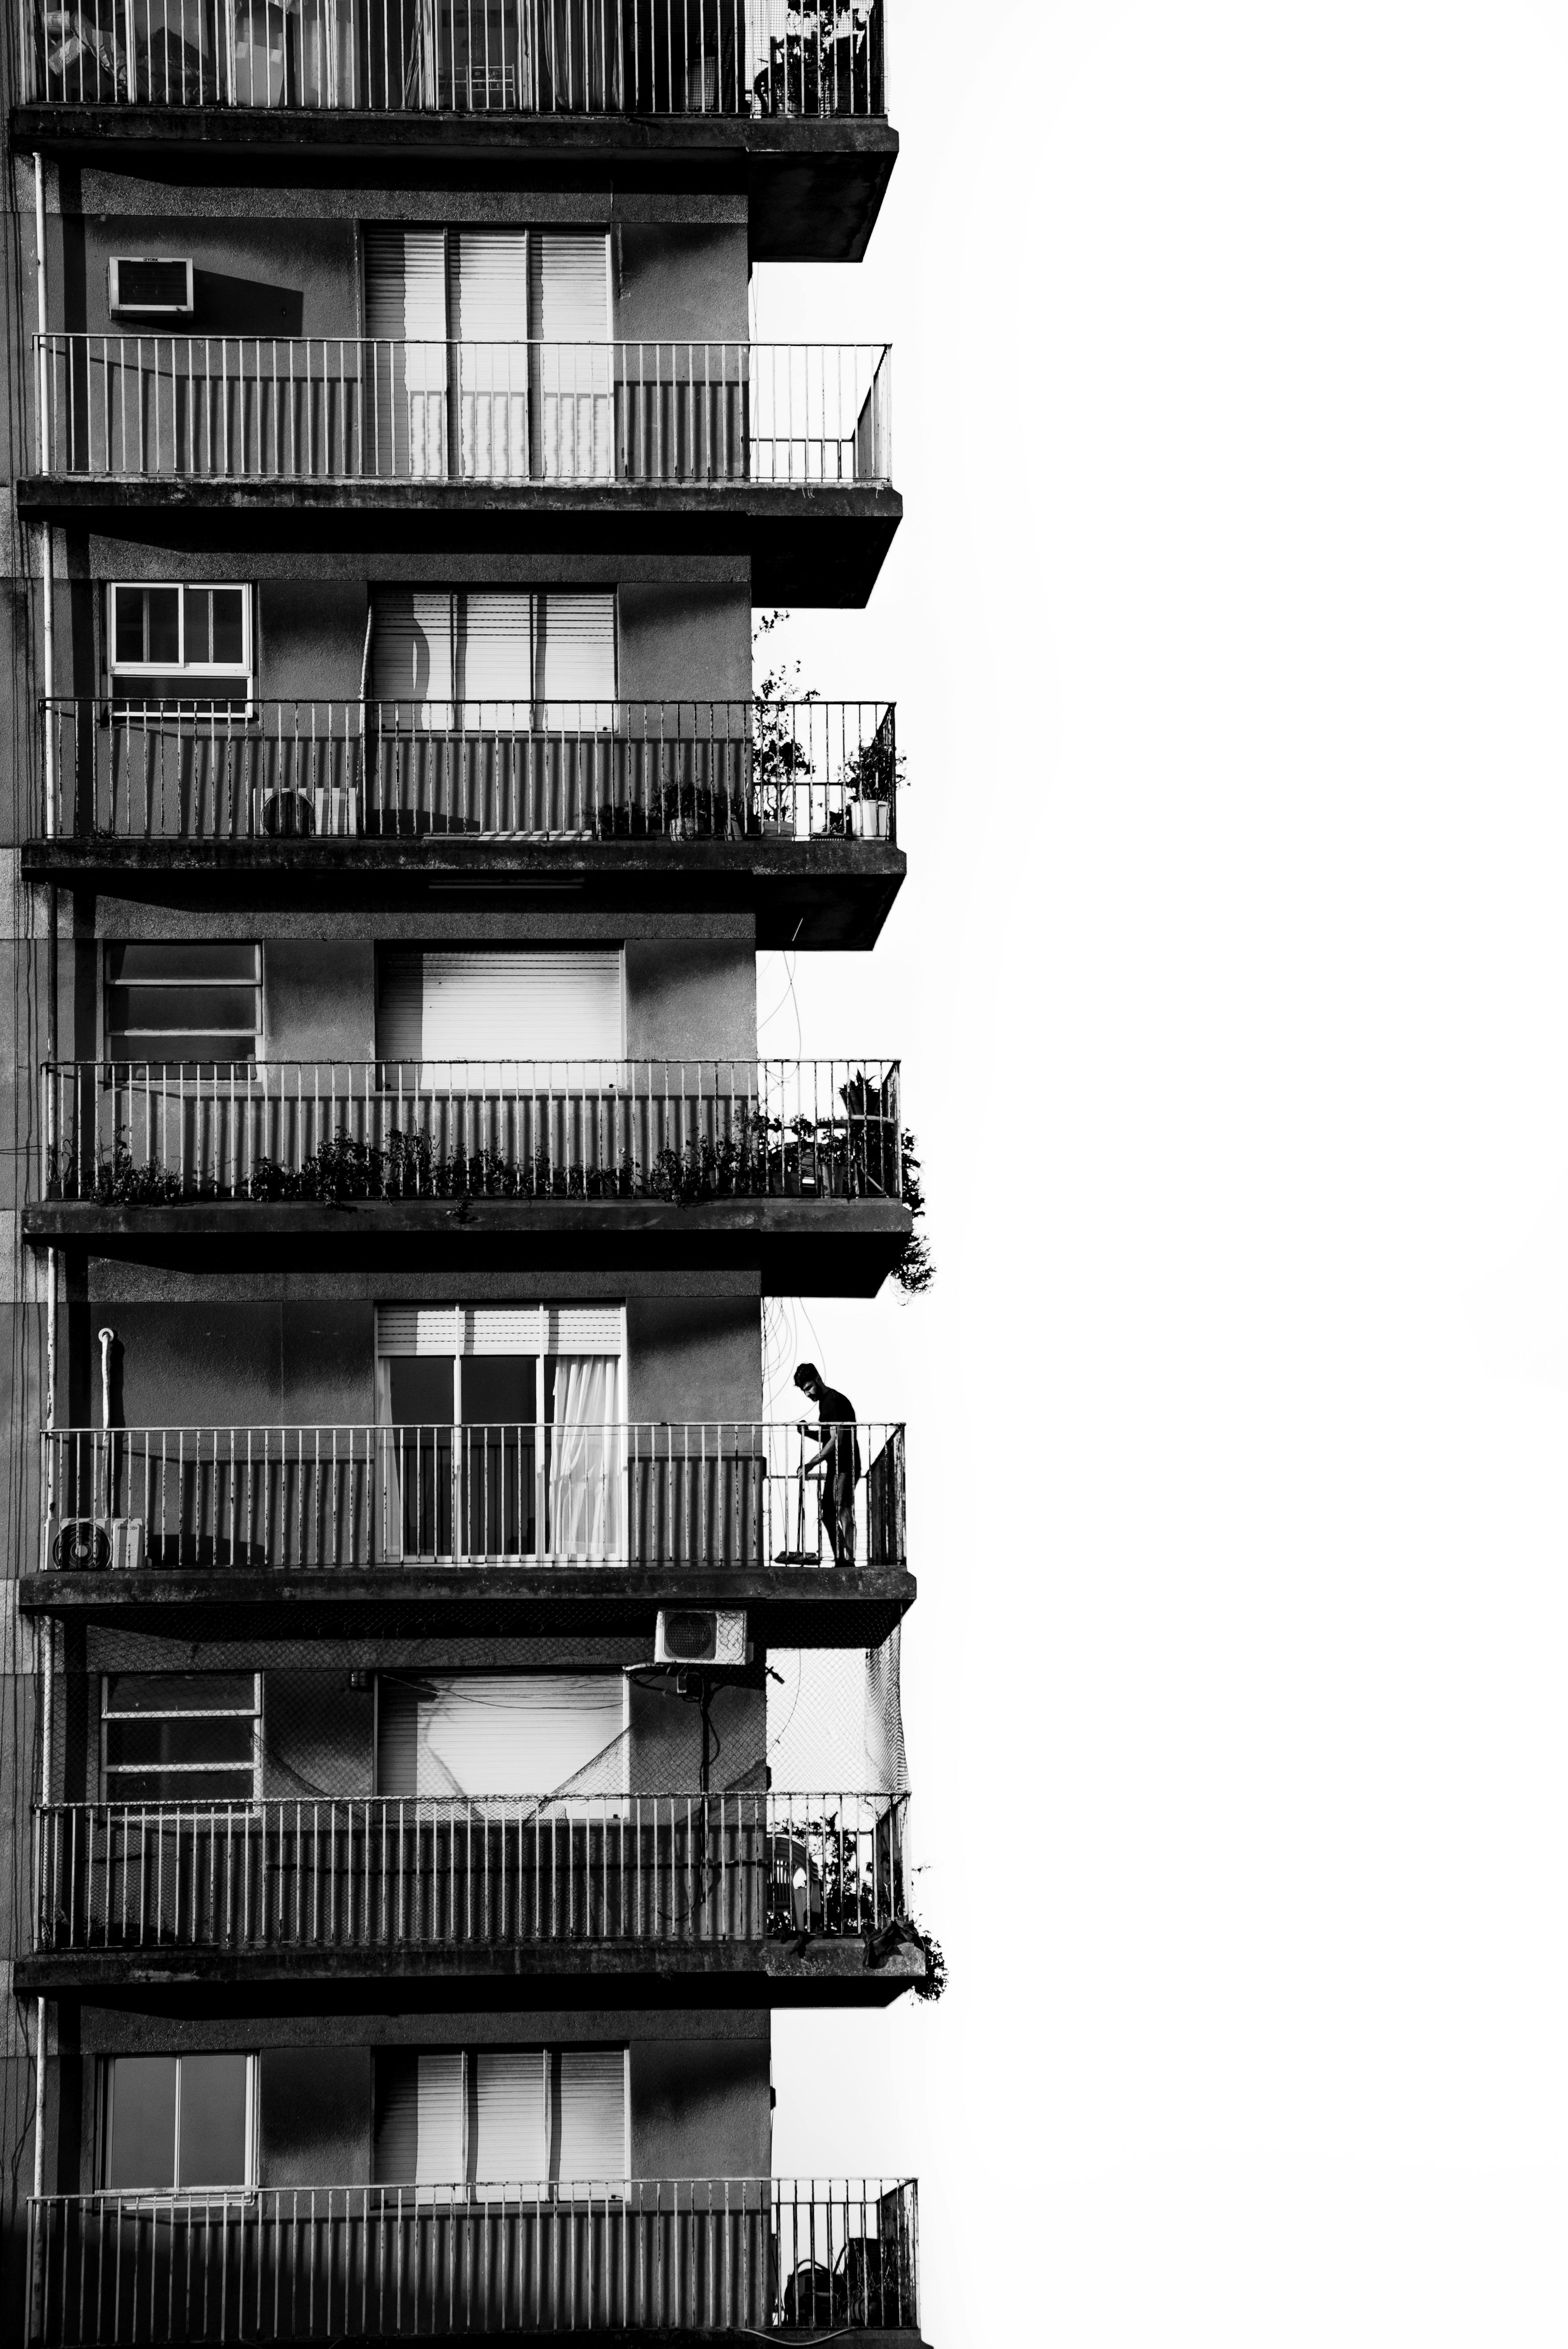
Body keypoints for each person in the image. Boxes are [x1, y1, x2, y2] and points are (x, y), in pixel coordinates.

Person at [793, 1362, 861, 1567]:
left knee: (842, 1510)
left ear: (818, 1379)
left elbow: (837, 1440)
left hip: (846, 1466)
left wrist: (810, 1465)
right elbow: (828, 1437)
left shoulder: (833, 1401)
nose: (808, 1394)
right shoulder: (825, 1403)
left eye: (809, 1388)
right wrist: (808, 1432)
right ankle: (842, 1559)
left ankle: (849, 1561)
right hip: (836, 1467)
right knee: (828, 1514)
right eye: (804, 1391)